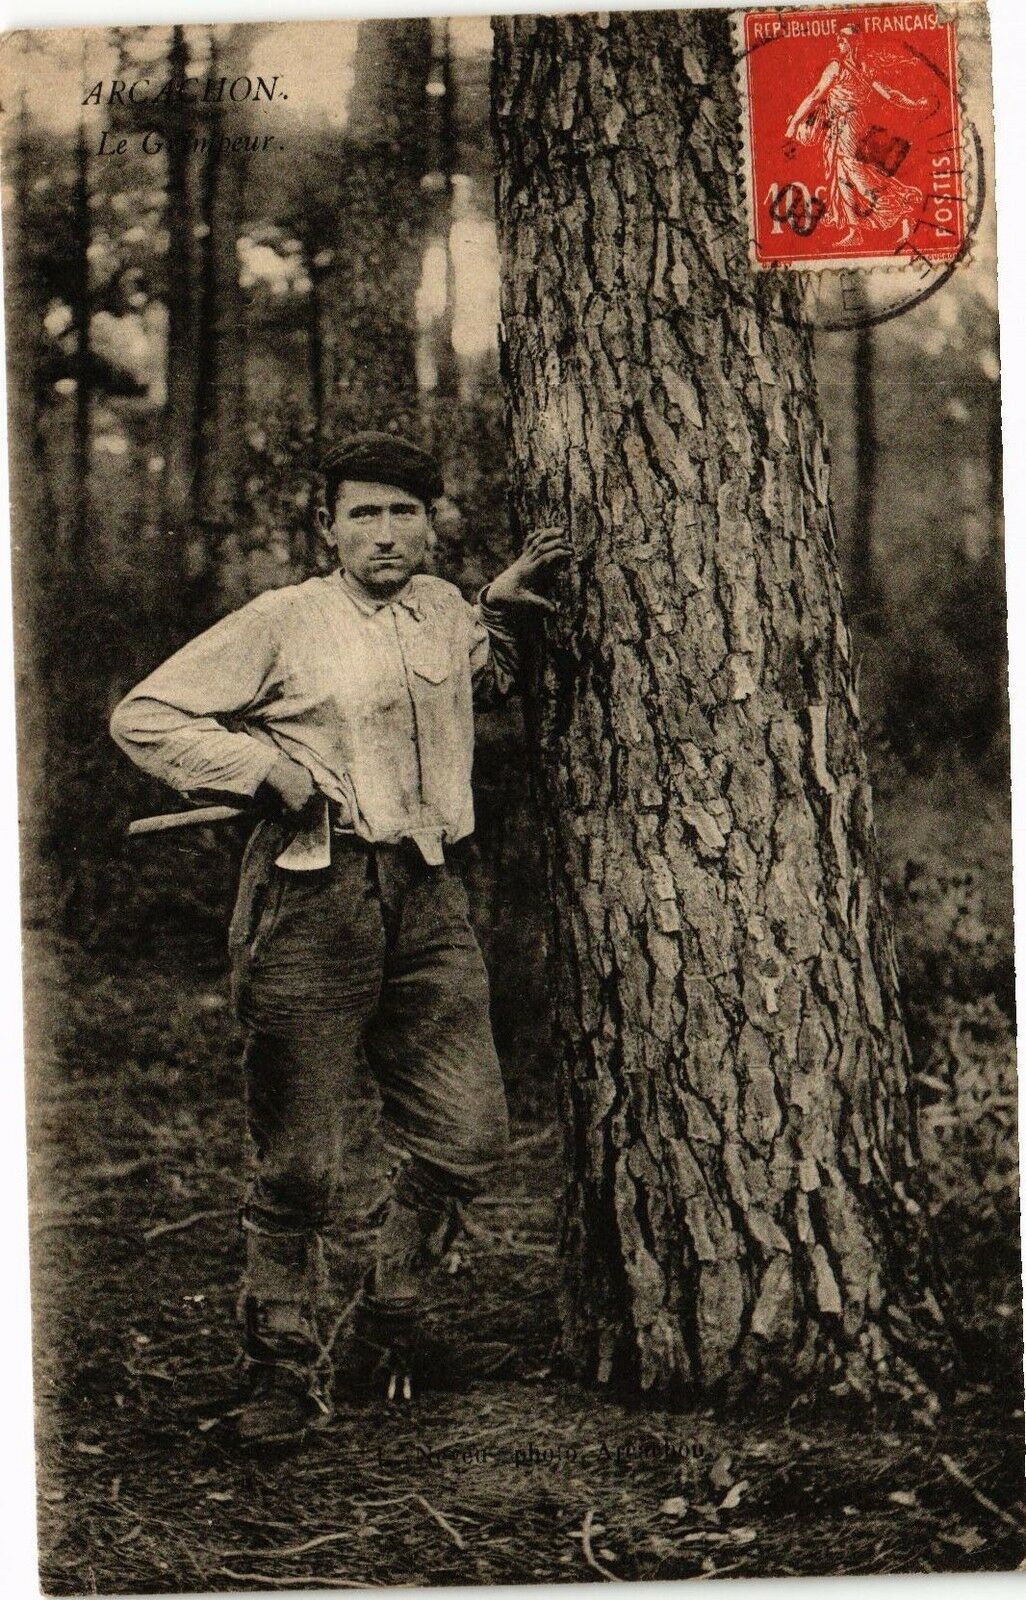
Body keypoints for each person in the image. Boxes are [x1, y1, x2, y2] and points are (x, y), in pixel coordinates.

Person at [110, 431, 571, 1447]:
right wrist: (261, 771)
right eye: (364, 514)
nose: (386, 533)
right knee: (300, 1163)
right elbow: (144, 716)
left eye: (405, 512)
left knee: (468, 1133)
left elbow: (484, 682)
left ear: (431, 523)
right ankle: (279, 1370)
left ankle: (389, 1316)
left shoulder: (441, 608)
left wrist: (498, 606)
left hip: (429, 895)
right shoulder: (287, 620)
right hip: (311, 897)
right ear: (328, 528)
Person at [784, 23, 934, 247]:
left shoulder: (840, 67)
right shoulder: (859, 67)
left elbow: (815, 96)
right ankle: (856, 230)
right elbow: (889, 94)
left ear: (853, 43)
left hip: (847, 127)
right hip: (842, 126)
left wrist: (794, 124)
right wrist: (914, 104)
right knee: (844, 175)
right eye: (839, 39)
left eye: (843, 40)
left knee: (856, 175)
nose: (839, 43)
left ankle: (901, 211)